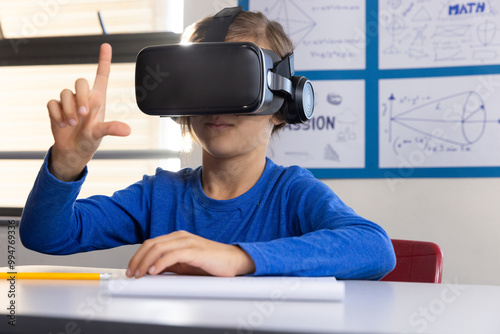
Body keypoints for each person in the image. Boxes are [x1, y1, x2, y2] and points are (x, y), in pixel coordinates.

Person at [19, 10, 396, 279]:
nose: (216, 104)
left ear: (284, 106)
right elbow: (46, 235)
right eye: (199, 82)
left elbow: (375, 248)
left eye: (236, 82)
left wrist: (237, 258)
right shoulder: (159, 196)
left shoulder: (291, 194)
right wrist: (65, 164)